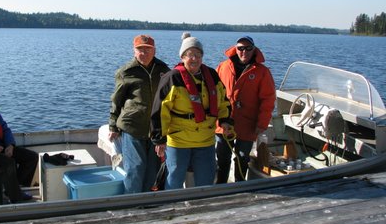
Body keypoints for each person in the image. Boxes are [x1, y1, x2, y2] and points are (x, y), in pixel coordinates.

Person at [151, 32, 233, 189]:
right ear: (182, 57)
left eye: (198, 54)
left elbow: (223, 101)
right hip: (179, 140)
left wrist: (225, 122)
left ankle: (202, 210)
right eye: (190, 55)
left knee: (206, 180)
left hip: (205, 140)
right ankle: (172, 210)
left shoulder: (212, 75)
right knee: (174, 180)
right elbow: (160, 110)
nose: (194, 59)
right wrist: (159, 139)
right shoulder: (172, 78)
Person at [109, 34, 170, 193]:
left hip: (155, 130)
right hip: (132, 128)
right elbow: (116, 101)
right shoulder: (126, 72)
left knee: (152, 170)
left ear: (154, 50)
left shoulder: (163, 70)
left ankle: (148, 204)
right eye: (140, 50)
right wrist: (113, 126)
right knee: (135, 169)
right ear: (134, 51)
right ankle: (132, 205)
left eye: (148, 49)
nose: (144, 53)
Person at [215, 36, 276, 183]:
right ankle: (221, 187)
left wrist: (262, 124)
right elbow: (213, 93)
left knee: (242, 158)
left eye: (248, 48)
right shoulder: (223, 66)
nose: (244, 51)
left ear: (254, 49)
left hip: (248, 124)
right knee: (222, 158)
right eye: (240, 48)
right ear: (235, 49)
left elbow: (268, 100)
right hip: (224, 123)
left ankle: (240, 186)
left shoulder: (262, 72)